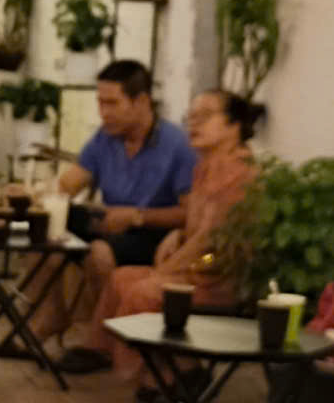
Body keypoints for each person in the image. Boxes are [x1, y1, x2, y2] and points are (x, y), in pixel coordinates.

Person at [89, 89, 265, 378]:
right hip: (197, 267)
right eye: (190, 117)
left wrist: (174, 269)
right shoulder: (205, 166)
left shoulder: (239, 173)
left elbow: (213, 245)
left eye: (205, 116)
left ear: (234, 125)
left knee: (145, 291)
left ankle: (165, 375)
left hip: (218, 273)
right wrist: (178, 234)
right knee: (121, 277)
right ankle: (101, 353)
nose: (194, 124)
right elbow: (197, 224)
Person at [54, 59, 197, 373]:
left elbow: (190, 214)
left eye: (111, 103)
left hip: (155, 234)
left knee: (100, 253)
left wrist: (137, 216)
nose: (103, 112)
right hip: (110, 223)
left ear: (141, 101)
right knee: (49, 229)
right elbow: (69, 183)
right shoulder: (105, 137)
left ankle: (104, 343)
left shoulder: (177, 145)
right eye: (100, 103)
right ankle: (46, 320)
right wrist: (45, 195)